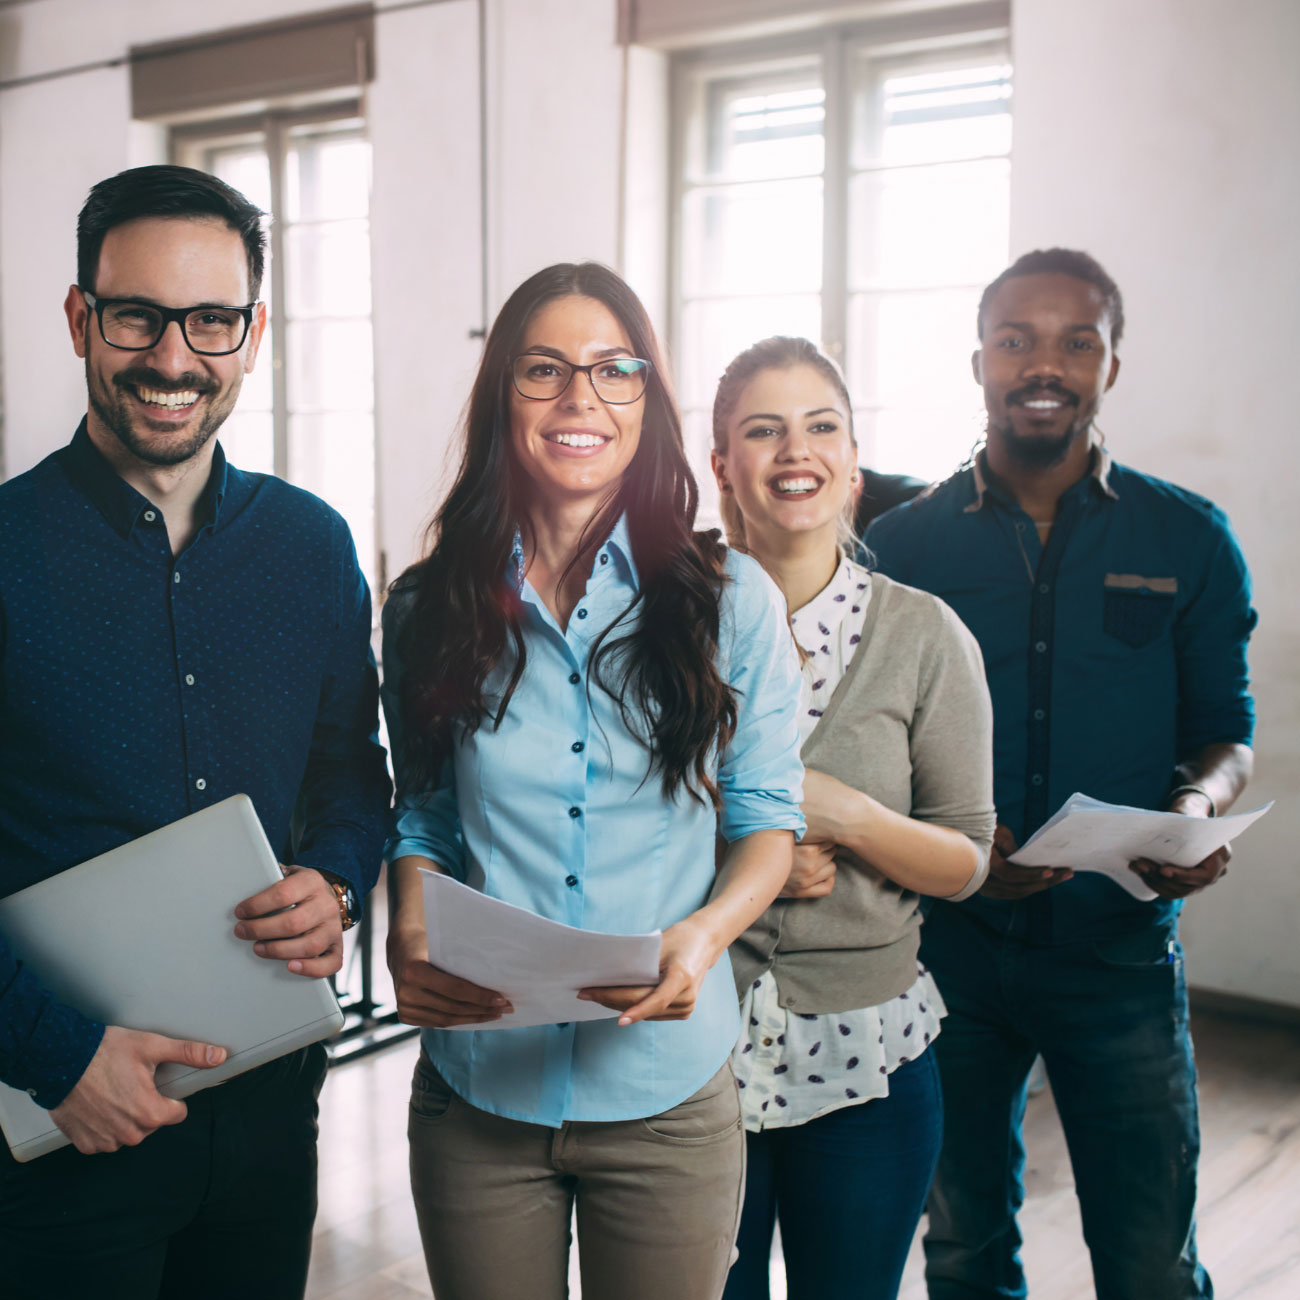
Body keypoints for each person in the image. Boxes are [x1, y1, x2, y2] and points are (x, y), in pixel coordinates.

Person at [0, 165, 392, 1300]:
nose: (174, 359)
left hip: (269, 1114)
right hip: (56, 1122)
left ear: (253, 334)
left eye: (211, 320)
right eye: (137, 316)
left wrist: (338, 878)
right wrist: (58, 1054)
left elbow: (353, 780)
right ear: (81, 317)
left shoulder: (312, 548)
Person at [381, 262, 805, 1300]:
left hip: (666, 1098)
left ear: (647, 402)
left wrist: (701, 937)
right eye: (545, 370)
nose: (582, 399)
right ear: (502, 398)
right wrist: (405, 922)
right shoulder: (429, 603)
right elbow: (425, 809)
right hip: (478, 1093)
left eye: (615, 370)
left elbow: (766, 822)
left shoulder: (730, 601)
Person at [865, 248, 1256, 1300]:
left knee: (1148, 1261)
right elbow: (858, 742)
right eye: (1017, 339)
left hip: (1118, 952)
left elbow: (1226, 729)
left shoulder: (1188, 538)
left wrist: (1194, 807)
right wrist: (944, 839)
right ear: (979, 360)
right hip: (945, 954)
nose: (1045, 364)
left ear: (1111, 364)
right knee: (962, 1249)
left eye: (1076, 341)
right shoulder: (899, 545)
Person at [709, 337, 996, 1300]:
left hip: (868, 1059)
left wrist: (853, 816)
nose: (797, 450)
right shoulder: (653, 626)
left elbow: (968, 861)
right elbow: (595, 819)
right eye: (764, 429)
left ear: (852, 463)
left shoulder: (925, 636)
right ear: (722, 466)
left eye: (820, 426)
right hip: (686, 1045)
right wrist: (751, 854)